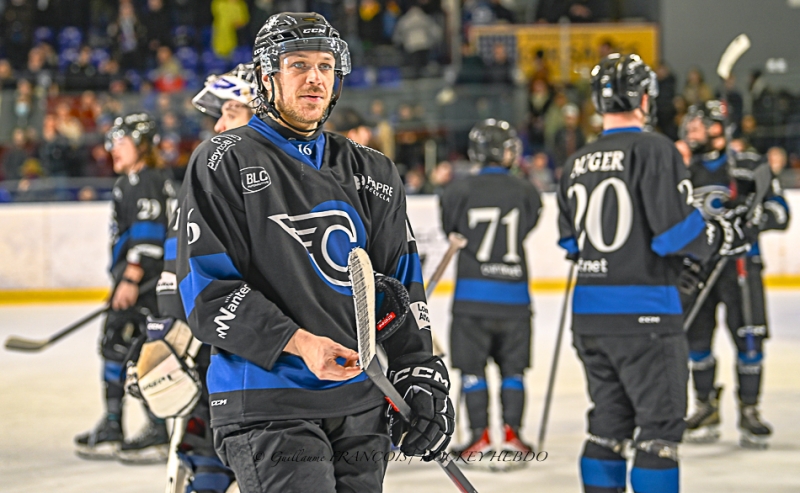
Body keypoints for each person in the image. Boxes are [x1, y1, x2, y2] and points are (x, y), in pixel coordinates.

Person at [174, 12, 453, 492]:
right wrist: (301, 343)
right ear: (268, 77)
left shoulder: (374, 171)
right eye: (298, 64)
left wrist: (418, 369)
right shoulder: (224, 159)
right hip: (267, 402)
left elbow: (402, 285)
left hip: (362, 403)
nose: (314, 78)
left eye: (325, 66)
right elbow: (208, 294)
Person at [557, 54, 753, 493]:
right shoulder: (656, 148)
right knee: (659, 433)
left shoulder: (576, 161)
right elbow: (673, 236)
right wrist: (720, 236)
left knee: (606, 428)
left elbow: (571, 244)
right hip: (645, 317)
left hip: (589, 317)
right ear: (645, 97)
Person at [146, 63, 258, 493]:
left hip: (272, 353)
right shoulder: (208, 172)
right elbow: (179, 264)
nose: (219, 125)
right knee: (209, 443)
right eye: (222, 113)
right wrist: (167, 326)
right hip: (221, 341)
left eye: (231, 111)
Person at [681, 100, 790, 449]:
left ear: (718, 129)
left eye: (699, 125)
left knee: (749, 339)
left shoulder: (749, 165)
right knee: (696, 342)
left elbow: (780, 211)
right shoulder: (684, 172)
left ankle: (749, 410)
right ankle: (706, 407)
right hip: (697, 267)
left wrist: (756, 217)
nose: (691, 132)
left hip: (741, 266)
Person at [439, 119, 542, 468]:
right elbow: (528, 223)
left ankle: (478, 436)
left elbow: (451, 229)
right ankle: (512, 435)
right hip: (515, 298)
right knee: (514, 371)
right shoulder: (526, 190)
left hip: (471, 297)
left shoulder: (457, 190)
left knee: (471, 371)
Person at [74, 112, 176, 463]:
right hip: (143, 282)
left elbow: (149, 237)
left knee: (136, 351)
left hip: (145, 285)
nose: (113, 150)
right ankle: (115, 424)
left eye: (122, 143)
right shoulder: (142, 178)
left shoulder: (142, 180)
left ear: (142, 145)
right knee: (119, 345)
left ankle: (153, 429)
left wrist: (131, 279)